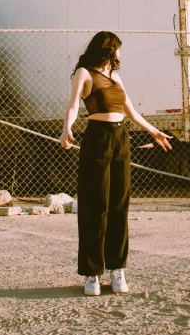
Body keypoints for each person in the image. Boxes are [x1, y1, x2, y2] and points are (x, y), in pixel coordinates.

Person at [60, 31, 172, 296]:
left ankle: (117, 268)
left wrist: (153, 131)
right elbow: (74, 105)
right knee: (94, 204)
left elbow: (130, 111)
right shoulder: (85, 73)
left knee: (119, 204)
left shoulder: (116, 77)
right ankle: (92, 273)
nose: (121, 54)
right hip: (97, 137)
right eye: (118, 49)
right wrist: (66, 129)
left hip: (121, 138)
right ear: (109, 49)